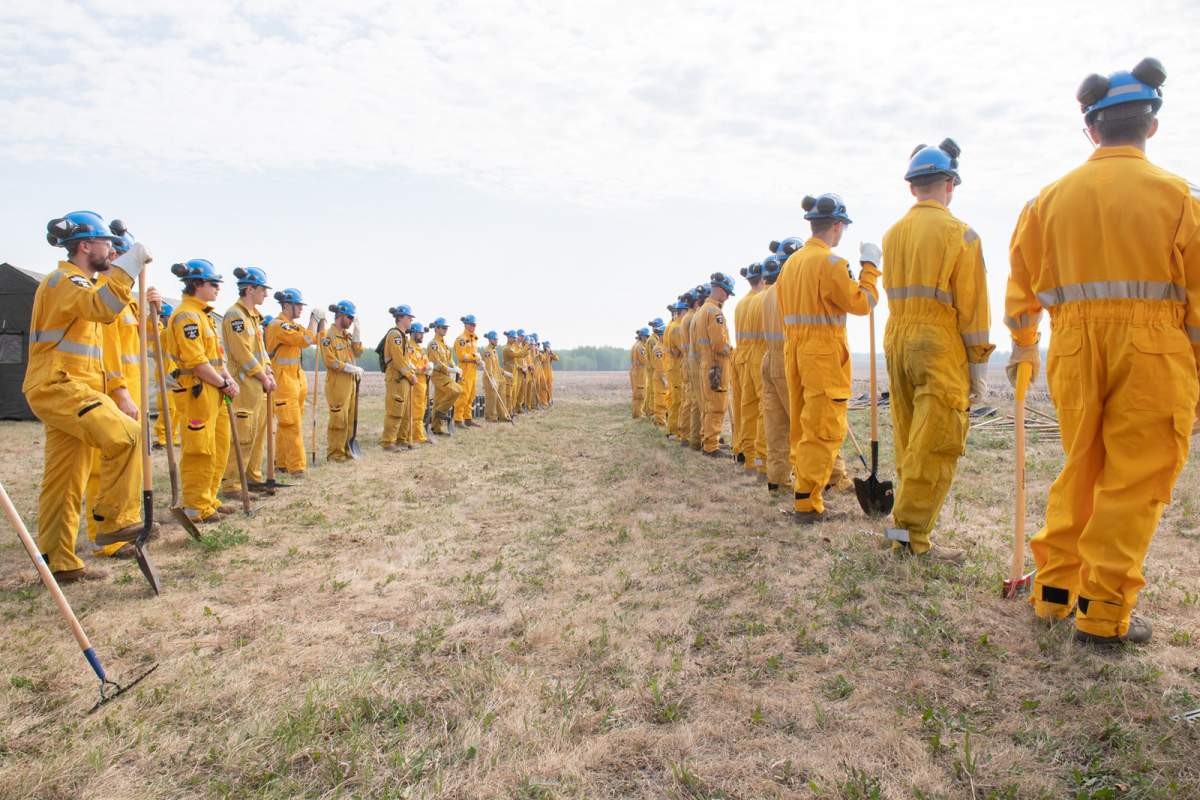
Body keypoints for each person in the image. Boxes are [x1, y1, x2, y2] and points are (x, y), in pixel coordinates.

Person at [1006, 57, 1199, 645]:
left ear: (1092, 128)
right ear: (1152, 126)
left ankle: (1055, 593)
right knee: (1132, 480)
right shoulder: (1181, 198)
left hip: (1072, 348)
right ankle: (1103, 613)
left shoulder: (1048, 200)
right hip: (1154, 350)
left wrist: (1024, 345)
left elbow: (1022, 287)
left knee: (1080, 468)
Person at [881, 139, 993, 562]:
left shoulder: (892, 235)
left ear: (913, 187)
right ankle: (910, 538)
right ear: (950, 184)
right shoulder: (960, 234)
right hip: (937, 342)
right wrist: (978, 364)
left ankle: (902, 530)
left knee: (910, 439)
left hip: (897, 340)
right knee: (937, 441)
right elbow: (974, 306)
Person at [25, 212, 153, 581]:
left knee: (64, 481)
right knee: (127, 434)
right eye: (106, 244)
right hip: (59, 386)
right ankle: (115, 522)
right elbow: (104, 308)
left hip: (69, 389)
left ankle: (59, 563)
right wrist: (129, 266)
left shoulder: (81, 283)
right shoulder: (65, 280)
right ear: (85, 246)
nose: (112, 250)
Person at [777, 194, 881, 523]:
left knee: (804, 426)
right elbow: (863, 304)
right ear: (836, 226)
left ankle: (804, 490)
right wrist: (870, 269)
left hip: (794, 351)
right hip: (822, 355)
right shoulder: (831, 264)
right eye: (843, 228)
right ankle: (808, 503)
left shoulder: (791, 264)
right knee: (823, 429)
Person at [168, 259, 238, 524]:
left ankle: (209, 499)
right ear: (197, 284)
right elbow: (197, 362)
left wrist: (229, 379)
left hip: (215, 389)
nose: (218, 288)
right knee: (200, 449)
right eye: (213, 283)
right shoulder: (187, 316)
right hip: (197, 390)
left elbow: (217, 358)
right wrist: (223, 383)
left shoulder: (204, 315)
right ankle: (195, 505)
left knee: (219, 445)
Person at [221, 267, 276, 500]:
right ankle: (232, 483)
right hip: (245, 385)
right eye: (263, 289)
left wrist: (269, 370)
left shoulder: (253, 316)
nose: (266, 294)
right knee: (242, 435)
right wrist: (262, 376)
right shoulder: (236, 315)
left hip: (259, 386)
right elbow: (242, 352)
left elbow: (260, 350)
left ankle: (251, 476)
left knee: (257, 435)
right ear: (250, 288)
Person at [265, 288, 321, 475]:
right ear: (287, 305)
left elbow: (314, 338)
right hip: (283, 380)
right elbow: (306, 339)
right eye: (298, 305)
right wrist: (313, 320)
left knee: (286, 424)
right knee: (292, 424)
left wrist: (320, 325)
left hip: (295, 378)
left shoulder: (291, 324)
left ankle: (281, 462)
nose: (301, 309)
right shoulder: (279, 325)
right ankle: (296, 467)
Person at [758, 251, 793, 494]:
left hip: (769, 359)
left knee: (776, 427)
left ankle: (778, 480)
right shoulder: (788, 288)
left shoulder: (767, 293)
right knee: (804, 424)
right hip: (787, 358)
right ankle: (828, 478)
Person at [320, 300, 364, 461]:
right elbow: (329, 361)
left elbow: (358, 352)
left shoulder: (347, 336)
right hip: (337, 384)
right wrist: (350, 368)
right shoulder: (327, 336)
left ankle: (347, 449)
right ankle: (335, 453)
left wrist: (357, 334)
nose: (351, 321)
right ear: (340, 315)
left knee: (351, 418)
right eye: (350, 318)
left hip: (351, 384)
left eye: (353, 319)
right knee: (338, 419)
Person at [696, 273, 735, 455]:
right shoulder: (715, 312)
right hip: (717, 366)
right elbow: (719, 344)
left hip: (706, 364)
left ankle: (708, 441)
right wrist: (733, 352)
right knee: (717, 407)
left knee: (708, 405)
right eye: (727, 293)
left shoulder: (702, 310)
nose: (727, 297)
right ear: (719, 290)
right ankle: (711, 447)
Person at [734, 263, 766, 476]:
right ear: (763, 280)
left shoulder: (741, 304)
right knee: (765, 410)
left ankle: (748, 458)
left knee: (747, 409)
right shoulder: (760, 301)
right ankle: (762, 460)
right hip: (759, 357)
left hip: (742, 359)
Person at [380, 305, 417, 451]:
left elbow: (406, 360)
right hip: (397, 379)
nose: (410, 321)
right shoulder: (395, 335)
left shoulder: (403, 336)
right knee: (395, 411)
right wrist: (409, 374)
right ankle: (388, 442)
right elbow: (398, 360)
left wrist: (411, 371)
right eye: (409, 318)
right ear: (400, 318)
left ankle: (401, 439)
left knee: (406, 412)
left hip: (404, 379)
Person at [152, 301, 183, 449]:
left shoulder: (169, 332)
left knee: (176, 408)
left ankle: (173, 436)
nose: (168, 320)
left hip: (174, 373)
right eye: (166, 317)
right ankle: (162, 437)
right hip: (165, 374)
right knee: (167, 408)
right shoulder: (162, 333)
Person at [427, 317, 463, 435]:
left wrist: (455, 367)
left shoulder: (445, 345)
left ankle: (436, 428)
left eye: (446, 328)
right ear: (436, 329)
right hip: (438, 376)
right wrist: (450, 369)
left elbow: (449, 359)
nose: (445, 330)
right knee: (456, 390)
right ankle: (440, 412)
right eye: (443, 328)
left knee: (438, 401)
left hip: (446, 375)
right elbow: (436, 363)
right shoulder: (433, 344)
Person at [686, 284, 711, 448]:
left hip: (693, 364)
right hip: (702, 363)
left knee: (696, 403)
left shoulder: (692, 317)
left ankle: (696, 439)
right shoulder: (700, 315)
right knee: (705, 404)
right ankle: (706, 440)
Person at [667, 294, 691, 440]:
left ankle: (676, 430)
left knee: (678, 400)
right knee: (677, 401)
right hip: (676, 369)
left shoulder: (675, 326)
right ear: (682, 312)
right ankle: (674, 431)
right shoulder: (676, 329)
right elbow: (685, 349)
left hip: (675, 367)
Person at [454, 314, 482, 428]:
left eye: (474, 324)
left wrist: (479, 360)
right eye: (471, 324)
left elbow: (473, 355)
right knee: (463, 396)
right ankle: (457, 419)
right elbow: (462, 356)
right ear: (466, 325)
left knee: (471, 396)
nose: (473, 326)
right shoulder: (461, 339)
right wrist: (475, 356)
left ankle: (468, 418)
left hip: (473, 371)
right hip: (464, 372)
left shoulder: (474, 339)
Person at [408, 322, 433, 444]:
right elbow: (413, 368)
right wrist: (425, 368)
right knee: (416, 409)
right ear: (413, 333)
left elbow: (425, 362)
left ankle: (419, 434)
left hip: (423, 383)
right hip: (416, 383)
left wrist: (429, 367)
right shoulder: (410, 348)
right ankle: (417, 436)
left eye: (423, 334)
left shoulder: (420, 349)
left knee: (421, 409)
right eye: (420, 334)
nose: (422, 336)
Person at [647, 319, 668, 426]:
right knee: (660, 401)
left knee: (664, 399)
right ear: (661, 335)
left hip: (661, 377)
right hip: (660, 378)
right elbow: (660, 367)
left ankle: (660, 420)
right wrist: (665, 380)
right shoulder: (658, 349)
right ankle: (660, 422)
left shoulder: (664, 347)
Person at [480, 331, 505, 421]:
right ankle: (489, 417)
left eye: (497, 339)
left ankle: (502, 416)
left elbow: (496, 366)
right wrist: (492, 379)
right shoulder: (488, 352)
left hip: (496, 378)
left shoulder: (494, 351)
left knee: (499, 398)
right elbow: (488, 368)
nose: (497, 341)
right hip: (489, 379)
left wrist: (504, 372)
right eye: (495, 339)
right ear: (490, 340)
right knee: (491, 399)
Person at [630, 328, 649, 418]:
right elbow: (645, 360)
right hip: (640, 374)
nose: (647, 338)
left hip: (635, 372)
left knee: (636, 394)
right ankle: (638, 414)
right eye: (646, 336)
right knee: (640, 395)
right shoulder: (641, 347)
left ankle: (636, 413)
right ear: (642, 336)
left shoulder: (635, 345)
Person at [502, 330, 521, 415]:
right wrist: (526, 347)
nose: (515, 339)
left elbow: (515, 361)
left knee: (512, 395)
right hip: (508, 375)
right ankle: (506, 412)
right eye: (513, 338)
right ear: (509, 338)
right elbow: (518, 355)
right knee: (508, 395)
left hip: (512, 374)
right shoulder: (507, 349)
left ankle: (510, 411)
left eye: (515, 338)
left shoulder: (512, 347)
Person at [541, 341, 559, 405]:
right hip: (543, 373)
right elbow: (542, 359)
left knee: (550, 387)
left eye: (549, 347)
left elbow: (557, 359)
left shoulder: (550, 354)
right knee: (543, 387)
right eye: (547, 347)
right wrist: (546, 353)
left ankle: (549, 400)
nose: (548, 348)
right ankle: (544, 401)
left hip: (549, 374)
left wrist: (552, 353)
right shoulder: (542, 353)